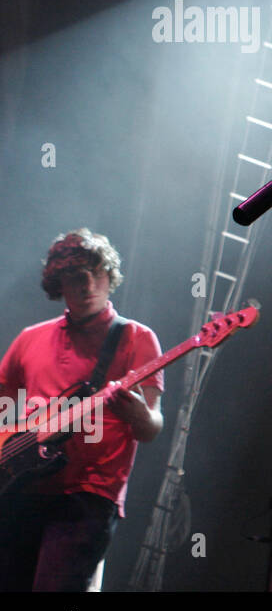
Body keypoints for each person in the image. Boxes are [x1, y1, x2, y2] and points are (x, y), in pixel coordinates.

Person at [0, 229, 164, 591]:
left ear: (110, 276)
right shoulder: (30, 338)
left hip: (88, 495)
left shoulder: (136, 337)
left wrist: (137, 412)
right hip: (21, 489)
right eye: (75, 276)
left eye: (97, 272)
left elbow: (152, 426)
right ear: (59, 283)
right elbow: (3, 406)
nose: (88, 284)